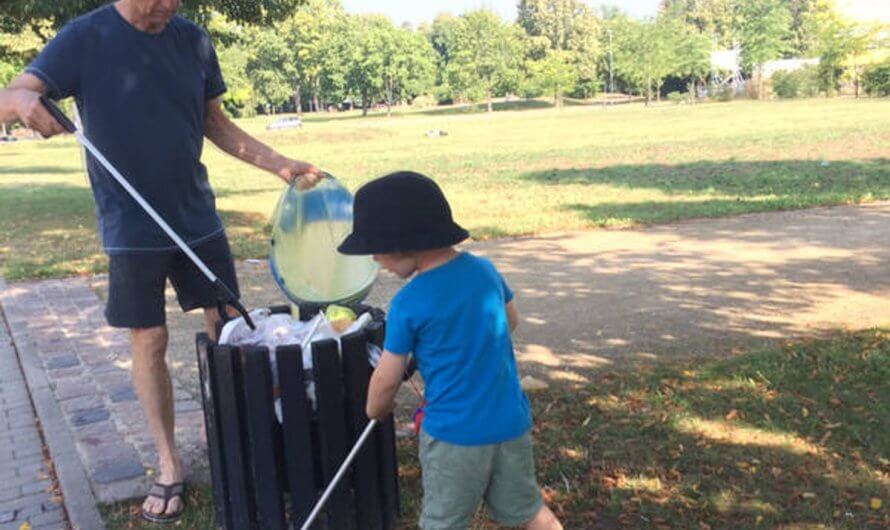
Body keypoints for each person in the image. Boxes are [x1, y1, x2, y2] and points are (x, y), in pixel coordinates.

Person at [0, 0, 323, 523]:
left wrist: (279, 164)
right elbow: (8, 95)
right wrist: (19, 103)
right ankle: (169, 460)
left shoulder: (192, 40)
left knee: (229, 328)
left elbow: (215, 123)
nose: (169, 5)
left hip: (197, 215)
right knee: (149, 338)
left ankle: (242, 437)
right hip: (130, 223)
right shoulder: (84, 37)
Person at [338, 171, 563, 530]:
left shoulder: (409, 302)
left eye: (376, 249)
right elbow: (510, 321)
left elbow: (385, 378)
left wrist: (375, 410)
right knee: (526, 510)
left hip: (454, 437)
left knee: (443, 522)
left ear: (403, 242)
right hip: (510, 424)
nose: (375, 259)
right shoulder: (484, 271)